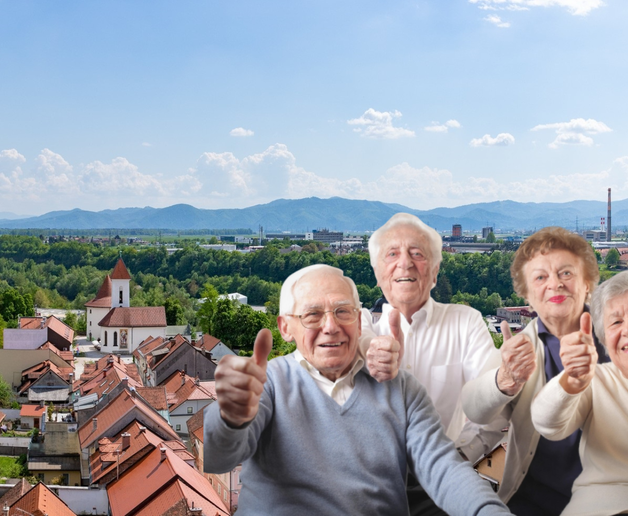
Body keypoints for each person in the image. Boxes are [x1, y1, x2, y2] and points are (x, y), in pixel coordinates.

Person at [204, 264, 509, 515]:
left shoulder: (401, 391)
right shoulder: (267, 384)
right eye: (312, 315)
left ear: (360, 321)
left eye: (343, 311)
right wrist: (231, 417)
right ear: (286, 327)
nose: (331, 326)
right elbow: (220, 457)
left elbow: (444, 469)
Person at [362, 213, 508, 515]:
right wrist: (369, 351)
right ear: (377, 272)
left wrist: (454, 457)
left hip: (439, 490)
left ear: (436, 270)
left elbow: (494, 409)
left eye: (418, 254)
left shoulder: (465, 322)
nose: (405, 263)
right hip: (364, 487)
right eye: (392, 254)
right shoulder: (358, 324)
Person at [461, 227, 608, 515]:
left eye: (566, 273)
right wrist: (504, 381)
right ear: (527, 295)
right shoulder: (518, 350)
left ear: (588, 282)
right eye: (540, 277)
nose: (555, 284)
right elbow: (478, 415)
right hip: (531, 503)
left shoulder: (617, 340)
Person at [531, 271, 628, 515]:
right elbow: (547, 424)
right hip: (602, 506)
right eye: (616, 322)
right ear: (605, 339)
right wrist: (572, 381)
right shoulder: (598, 380)